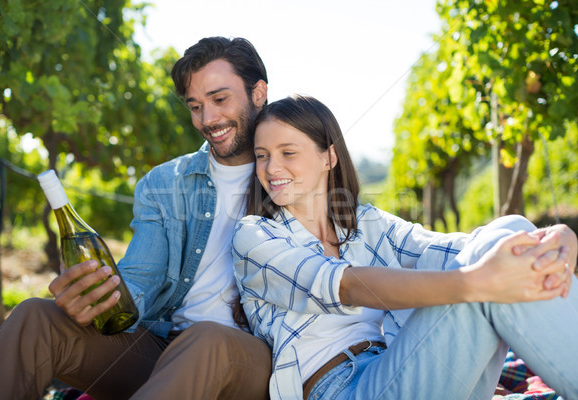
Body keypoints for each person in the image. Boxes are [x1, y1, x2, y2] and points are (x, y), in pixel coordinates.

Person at [0, 36, 272, 400]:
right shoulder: (165, 183)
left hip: (250, 361)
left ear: (258, 93)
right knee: (35, 318)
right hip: (165, 349)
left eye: (220, 99)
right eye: (195, 106)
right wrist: (106, 298)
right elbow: (141, 276)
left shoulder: (291, 174)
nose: (207, 119)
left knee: (207, 339)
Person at [232, 95, 578, 400]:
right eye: (262, 156)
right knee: (495, 258)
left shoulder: (363, 223)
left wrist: (558, 236)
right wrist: (478, 281)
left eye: (287, 152)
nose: (272, 168)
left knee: (509, 230)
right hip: (340, 388)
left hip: (393, 366)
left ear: (329, 157)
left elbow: (455, 247)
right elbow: (345, 285)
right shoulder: (256, 236)